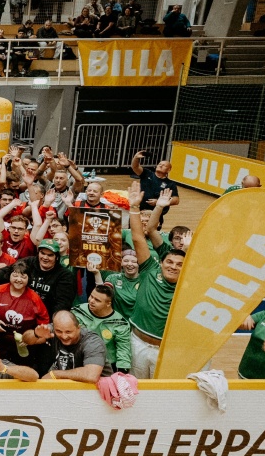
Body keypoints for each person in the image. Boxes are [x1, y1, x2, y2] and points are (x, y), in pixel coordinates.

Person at [126, 181, 185, 379]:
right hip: (137, 343)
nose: (173, 266)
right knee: (136, 393)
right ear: (161, 262)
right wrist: (134, 207)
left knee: (163, 397)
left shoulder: (190, 285)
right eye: (169, 262)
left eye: (179, 264)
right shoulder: (150, 268)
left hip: (168, 351)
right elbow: (138, 237)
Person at [20, 309, 106, 382]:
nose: (64, 336)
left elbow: (91, 375)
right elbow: (26, 340)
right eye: (59, 331)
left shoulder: (92, 342)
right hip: (68, 387)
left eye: (68, 332)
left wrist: (55, 374)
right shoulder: (53, 330)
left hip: (98, 391)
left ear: (78, 328)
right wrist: (36, 334)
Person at [71, 281, 132, 374]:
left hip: (106, 366)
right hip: (79, 361)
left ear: (108, 303)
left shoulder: (120, 323)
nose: (91, 301)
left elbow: (123, 350)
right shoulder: (78, 311)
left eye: (97, 300)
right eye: (91, 296)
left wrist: (122, 372)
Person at [131, 149, 179, 228]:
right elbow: (135, 167)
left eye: (164, 165)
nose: (160, 165)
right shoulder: (147, 174)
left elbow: (176, 200)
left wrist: (159, 202)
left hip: (156, 214)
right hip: (139, 210)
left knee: (152, 232)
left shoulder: (170, 184)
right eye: (159, 164)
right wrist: (136, 158)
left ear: (169, 170)